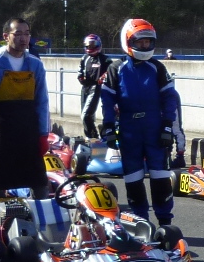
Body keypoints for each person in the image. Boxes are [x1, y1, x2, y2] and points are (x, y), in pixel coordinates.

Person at [98, 19, 184, 224]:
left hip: (155, 127)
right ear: (128, 42)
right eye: (140, 42)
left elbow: (170, 98)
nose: (145, 46)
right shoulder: (116, 69)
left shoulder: (157, 67)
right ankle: (140, 221)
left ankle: (165, 221)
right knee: (133, 177)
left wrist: (167, 125)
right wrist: (108, 126)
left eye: (148, 42)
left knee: (160, 175)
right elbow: (107, 102)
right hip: (129, 129)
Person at [0, 18, 51, 218]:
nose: (24, 38)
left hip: (28, 130)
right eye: (18, 34)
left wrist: (43, 134)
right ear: (6, 36)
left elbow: (42, 102)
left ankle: (44, 223)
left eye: (27, 34)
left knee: (39, 181)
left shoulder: (35, 64)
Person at [77, 33, 109, 139]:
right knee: (85, 115)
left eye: (92, 44)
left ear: (98, 44)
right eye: (88, 45)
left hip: (96, 88)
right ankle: (90, 138)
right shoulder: (84, 58)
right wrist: (80, 77)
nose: (90, 47)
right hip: (85, 88)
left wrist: (103, 77)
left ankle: (93, 136)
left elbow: (111, 71)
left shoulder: (104, 59)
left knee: (85, 115)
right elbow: (80, 70)